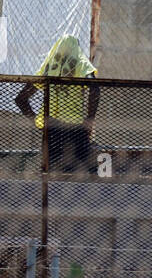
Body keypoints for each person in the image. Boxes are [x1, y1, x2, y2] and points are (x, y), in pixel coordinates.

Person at [14, 34, 99, 174]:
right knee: (87, 176)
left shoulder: (48, 68)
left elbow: (21, 99)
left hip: (51, 129)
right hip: (75, 129)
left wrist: (38, 122)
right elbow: (94, 88)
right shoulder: (80, 62)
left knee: (51, 179)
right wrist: (89, 120)